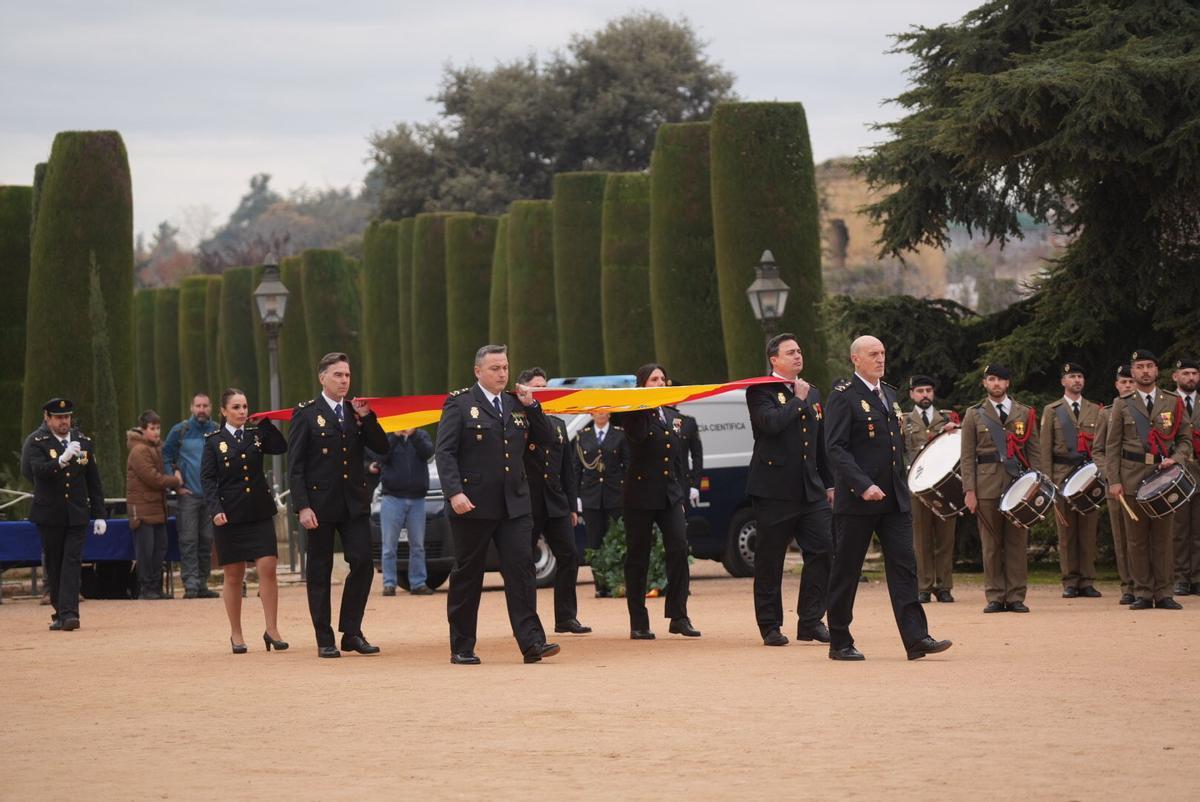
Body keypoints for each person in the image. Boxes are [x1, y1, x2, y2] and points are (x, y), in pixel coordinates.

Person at [824, 336, 952, 661]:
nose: (880, 359)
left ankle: (916, 638)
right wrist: (862, 484)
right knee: (846, 569)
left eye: (882, 353)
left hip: (893, 498)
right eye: (873, 354)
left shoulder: (890, 395)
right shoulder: (844, 397)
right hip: (858, 500)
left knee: (904, 565)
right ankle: (839, 641)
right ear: (856, 359)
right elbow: (836, 449)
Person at [435, 344, 561, 664]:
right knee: (468, 575)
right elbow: (445, 452)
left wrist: (532, 406)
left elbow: (547, 439)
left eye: (505, 367)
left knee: (521, 570)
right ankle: (462, 646)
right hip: (472, 505)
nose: (502, 374)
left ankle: (532, 642)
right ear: (478, 371)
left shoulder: (516, 404)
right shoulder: (461, 404)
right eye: (494, 368)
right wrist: (454, 492)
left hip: (514, 505)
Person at [288, 352, 389, 658]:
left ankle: (351, 631)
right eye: (338, 375)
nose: (344, 380)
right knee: (319, 569)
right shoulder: (306, 413)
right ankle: (324, 636)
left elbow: (382, 447)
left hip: (353, 502)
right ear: (323, 378)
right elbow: (296, 466)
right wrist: (303, 507)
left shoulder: (354, 411)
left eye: (347, 375)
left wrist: (368, 417)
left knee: (361, 563)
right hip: (319, 505)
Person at [746, 334, 833, 647]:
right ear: (774, 359)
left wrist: (830, 482)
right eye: (791, 352)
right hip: (773, 489)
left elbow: (818, 441)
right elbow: (769, 424)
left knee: (823, 549)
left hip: (810, 489)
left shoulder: (813, 392)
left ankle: (810, 620)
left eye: (800, 351)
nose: (798, 356)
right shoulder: (760, 390)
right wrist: (796, 400)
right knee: (770, 560)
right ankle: (770, 624)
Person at [201, 388, 290, 653]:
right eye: (236, 407)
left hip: (259, 511)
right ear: (224, 411)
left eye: (245, 406)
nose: (242, 412)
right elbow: (207, 480)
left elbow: (280, 447)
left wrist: (263, 424)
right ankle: (236, 634)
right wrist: (214, 509)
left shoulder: (255, 434)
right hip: (230, 515)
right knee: (233, 575)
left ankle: (272, 629)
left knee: (268, 568)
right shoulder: (214, 441)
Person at [1104, 349, 1192, 610]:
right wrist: (1114, 481)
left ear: (1157, 371)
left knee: (1164, 538)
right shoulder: (1122, 403)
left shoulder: (1172, 402)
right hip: (1131, 477)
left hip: (1165, 478)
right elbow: (1112, 446)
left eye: (1149, 366)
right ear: (1132, 372)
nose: (1145, 371)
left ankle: (1164, 592)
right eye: (1140, 366)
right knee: (1137, 539)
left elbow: (1185, 439)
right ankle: (1142, 592)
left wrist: (1177, 458)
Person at [619, 363, 699, 640]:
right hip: (640, 494)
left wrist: (683, 491)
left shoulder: (672, 415)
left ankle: (678, 615)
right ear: (643, 384)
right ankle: (638, 622)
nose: (661, 383)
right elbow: (636, 438)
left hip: (669, 494)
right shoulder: (634, 413)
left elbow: (677, 458)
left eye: (663, 379)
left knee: (679, 548)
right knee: (638, 556)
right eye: (654, 379)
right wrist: (641, 404)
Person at [961, 364, 1041, 613]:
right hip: (986, 486)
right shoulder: (974, 414)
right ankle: (995, 595)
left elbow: (1035, 452)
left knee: (1017, 542)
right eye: (991, 379)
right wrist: (969, 491)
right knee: (991, 544)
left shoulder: (1024, 413)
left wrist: (1037, 484)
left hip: (1019, 484)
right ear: (985, 383)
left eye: (1000, 380)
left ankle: (1016, 596)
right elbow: (966, 456)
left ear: (1008, 383)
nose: (996, 384)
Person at [21, 398, 106, 631]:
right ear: (47, 418)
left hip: (77, 512)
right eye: (58, 418)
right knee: (55, 562)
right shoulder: (37, 442)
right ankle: (60, 611)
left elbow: (93, 480)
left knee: (72, 561)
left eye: (67, 417)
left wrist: (99, 514)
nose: (64, 422)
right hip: (50, 513)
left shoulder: (83, 441)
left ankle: (69, 614)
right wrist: (60, 461)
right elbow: (34, 471)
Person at [518, 367, 589, 635]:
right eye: (538, 387)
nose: (543, 391)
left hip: (556, 502)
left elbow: (567, 469)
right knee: (524, 561)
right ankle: (528, 622)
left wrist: (572, 505)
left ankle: (566, 618)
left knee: (569, 555)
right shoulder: (518, 422)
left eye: (545, 386)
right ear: (525, 390)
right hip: (529, 503)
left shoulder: (559, 424)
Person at [1037, 363, 1104, 599]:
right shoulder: (1052, 410)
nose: (1076, 380)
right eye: (1071, 376)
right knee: (1066, 533)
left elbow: (1101, 446)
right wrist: (1047, 481)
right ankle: (1070, 581)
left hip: (1088, 476)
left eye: (1080, 376)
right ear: (1063, 382)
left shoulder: (1095, 409)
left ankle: (1087, 580)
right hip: (1061, 475)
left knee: (1087, 531)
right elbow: (1044, 448)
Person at [902, 375, 959, 603]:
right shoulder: (904, 421)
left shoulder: (946, 418)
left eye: (928, 390)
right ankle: (924, 586)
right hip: (916, 487)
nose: (924, 395)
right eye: (920, 391)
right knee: (921, 537)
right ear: (912, 394)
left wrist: (951, 430)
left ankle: (944, 586)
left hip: (944, 485)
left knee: (946, 537)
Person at [163, 392, 220, 599]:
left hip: (211, 496)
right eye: (198, 406)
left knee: (206, 541)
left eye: (205, 406)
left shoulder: (216, 430)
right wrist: (175, 484)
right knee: (188, 540)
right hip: (188, 496)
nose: (202, 409)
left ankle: (202, 583)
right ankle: (191, 585)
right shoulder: (180, 431)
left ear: (211, 407)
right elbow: (166, 456)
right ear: (191, 408)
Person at [368, 427, 434, 596]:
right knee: (389, 545)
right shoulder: (388, 438)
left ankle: (418, 583)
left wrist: (414, 435)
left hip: (417, 499)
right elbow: (382, 457)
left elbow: (427, 453)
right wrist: (395, 437)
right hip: (392, 498)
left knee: (418, 545)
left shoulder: (421, 435)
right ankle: (389, 583)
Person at [125, 410, 183, 600]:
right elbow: (152, 478)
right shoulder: (139, 450)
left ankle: (155, 587)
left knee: (159, 548)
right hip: (142, 509)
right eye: (152, 428)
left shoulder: (157, 447)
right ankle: (145, 588)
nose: (157, 432)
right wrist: (175, 481)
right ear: (143, 430)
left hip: (157, 508)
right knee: (146, 550)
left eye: (158, 428)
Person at [573, 410, 629, 597]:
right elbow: (576, 469)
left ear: (610, 413)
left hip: (615, 496)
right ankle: (600, 585)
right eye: (596, 410)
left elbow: (627, 466)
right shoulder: (583, 436)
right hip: (591, 496)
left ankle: (618, 582)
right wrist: (576, 497)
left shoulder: (620, 434)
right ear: (591, 414)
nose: (600, 413)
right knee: (594, 542)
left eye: (604, 409)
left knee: (616, 539)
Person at [1095, 365, 1137, 604]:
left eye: (1131, 382)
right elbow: (1099, 450)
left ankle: (1148, 583)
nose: (1128, 386)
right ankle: (1128, 586)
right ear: (1117, 385)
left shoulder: (1145, 411)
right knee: (1122, 537)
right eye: (1124, 382)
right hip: (1116, 483)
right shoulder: (1106, 413)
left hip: (1142, 480)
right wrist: (1110, 475)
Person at [1171, 358, 1200, 596]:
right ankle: (1180, 577)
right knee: (1179, 530)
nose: (1190, 377)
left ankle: (1197, 577)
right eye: (1186, 373)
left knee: (1198, 529)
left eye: (1194, 373)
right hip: (1176, 473)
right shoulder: (1166, 403)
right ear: (1175, 377)